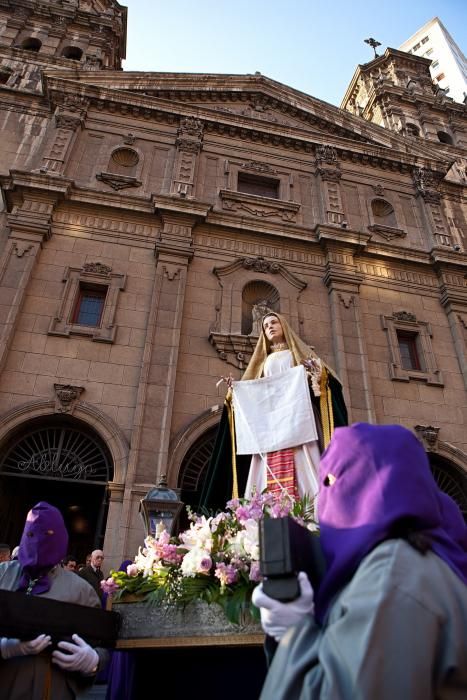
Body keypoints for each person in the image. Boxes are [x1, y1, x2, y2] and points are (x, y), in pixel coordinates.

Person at [252, 423, 467, 699]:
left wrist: (295, 634)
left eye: (330, 481)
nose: (321, 504)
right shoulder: (430, 558)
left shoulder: (392, 574)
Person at [199, 311, 347, 510]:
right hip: (269, 431)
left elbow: (323, 385)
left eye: (274, 322)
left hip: (298, 425)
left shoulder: (299, 358)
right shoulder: (264, 364)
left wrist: (318, 375)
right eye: (266, 325)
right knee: (264, 473)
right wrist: (237, 393)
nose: (270, 326)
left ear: (284, 326)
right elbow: (257, 393)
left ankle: (312, 511)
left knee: (304, 466)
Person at [0, 501, 109, 699]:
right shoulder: (2, 575)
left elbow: (101, 643)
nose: (39, 542)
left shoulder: (81, 590)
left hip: (51, 688)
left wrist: (93, 661)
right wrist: (5, 648)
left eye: (49, 535)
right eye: (32, 535)